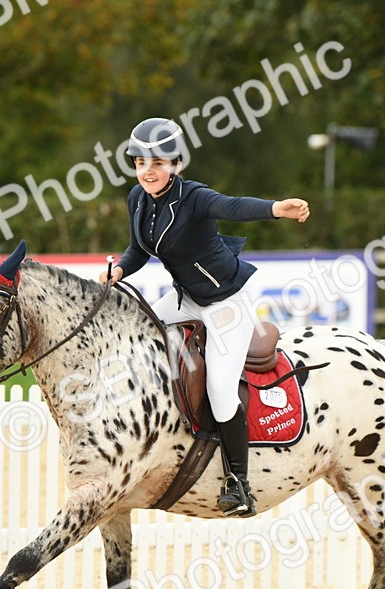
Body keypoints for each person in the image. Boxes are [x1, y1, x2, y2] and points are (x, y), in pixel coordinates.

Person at [101, 117, 310, 517]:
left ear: (177, 164)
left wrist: (276, 209)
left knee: (219, 387)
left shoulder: (193, 196)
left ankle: (239, 483)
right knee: (134, 329)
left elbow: (231, 206)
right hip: (186, 298)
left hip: (225, 301)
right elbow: (138, 250)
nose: (148, 169)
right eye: (140, 161)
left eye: (158, 162)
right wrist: (119, 271)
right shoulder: (137, 198)